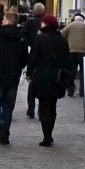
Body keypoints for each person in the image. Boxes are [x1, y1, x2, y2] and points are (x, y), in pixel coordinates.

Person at [0, 8, 30, 146]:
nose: (2, 20)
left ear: (8, 21)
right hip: (13, 76)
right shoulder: (21, 37)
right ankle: (5, 133)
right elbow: (24, 58)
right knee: (8, 106)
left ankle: (0, 122)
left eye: (4, 19)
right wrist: (18, 67)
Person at [26, 13, 72, 146]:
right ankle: (49, 133)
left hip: (42, 76)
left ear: (46, 25)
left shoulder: (40, 39)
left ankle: (46, 135)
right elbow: (67, 59)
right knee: (52, 106)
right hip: (57, 78)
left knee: (44, 106)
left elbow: (33, 58)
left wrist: (29, 73)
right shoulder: (62, 40)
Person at [64, 7, 85, 95]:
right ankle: (82, 91)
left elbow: (62, 34)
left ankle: (70, 91)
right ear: (82, 20)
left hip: (72, 51)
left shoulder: (70, 25)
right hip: (83, 52)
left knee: (72, 72)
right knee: (83, 72)